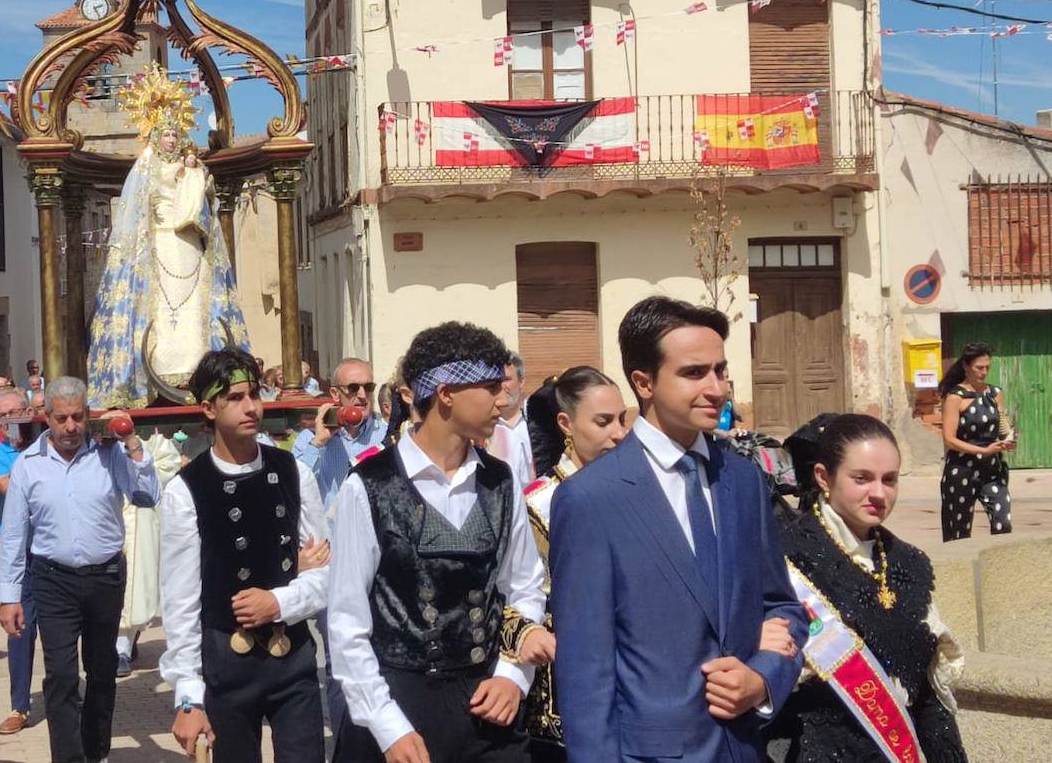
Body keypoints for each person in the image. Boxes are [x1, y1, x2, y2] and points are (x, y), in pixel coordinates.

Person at [551, 296, 808, 763]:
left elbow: (782, 606)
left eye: (721, 371)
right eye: (694, 373)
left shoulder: (743, 480)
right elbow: (585, 670)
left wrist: (762, 678)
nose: (716, 388)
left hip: (743, 748)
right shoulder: (590, 498)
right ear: (644, 382)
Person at [329, 322, 547, 763]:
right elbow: (347, 622)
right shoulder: (370, 486)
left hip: (487, 706)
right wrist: (387, 726)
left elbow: (525, 587)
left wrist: (512, 676)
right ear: (446, 393)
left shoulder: (499, 481)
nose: (503, 399)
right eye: (490, 387)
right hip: (397, 705)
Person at [159, 349, 331, 762]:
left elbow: (327, 571)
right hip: (227, 664)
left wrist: (279, 601)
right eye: (235, 398)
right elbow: (181, 601)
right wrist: (188, 697)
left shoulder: (293, 472)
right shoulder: (186, 490)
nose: (251, 407)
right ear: (209, 408)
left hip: (292, 658)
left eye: (254, 394)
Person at [772, 414, 969, 761]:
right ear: (823, 477)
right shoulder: (782, 557)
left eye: (889, 480)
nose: (879, 494)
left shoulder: (910, 562)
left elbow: (925, 694)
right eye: (861, 478)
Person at [0, 376, 160, 763]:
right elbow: (14, 534)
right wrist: (9, 597)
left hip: (105, 578)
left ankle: (95, 751)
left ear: (88, 415)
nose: (70, 427)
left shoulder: (110, 454)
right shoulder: (28, 464)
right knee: (62, 675)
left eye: (77, 417)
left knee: (102, 671)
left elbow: (148, 496)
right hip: (53, 579)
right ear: (47, 418)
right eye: (61, 418)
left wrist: (132, 442)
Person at [86, 67, 250, 406]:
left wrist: (194, 175)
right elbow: (135, 209)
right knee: (158, 305)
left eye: (176, 135)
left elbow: (206, 201)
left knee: (194, 305)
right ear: (156, 137)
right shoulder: (146, 166)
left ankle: (197, 363)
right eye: (166, 135)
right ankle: (156, 365)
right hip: (159, 242)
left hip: (188, 243)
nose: (172, 140)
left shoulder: (193, 167)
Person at [516, 368, 634, 761]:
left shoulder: (636, 491)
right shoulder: (538, 503)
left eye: (622, 420)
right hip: (564, 687)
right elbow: (515, 596)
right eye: (603, 422)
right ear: (566, 424)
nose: (618, 433)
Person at [0, 388, 44, 736]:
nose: (12, 420)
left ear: (31, 411)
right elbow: (9, 487)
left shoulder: (50, 444)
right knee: (20, 631)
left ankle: (68, 694)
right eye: (4, 416)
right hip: (20, 556)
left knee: (63, 631)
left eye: (18, 412)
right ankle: (20, 705)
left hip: (54, 551)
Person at [114, 412, 183, 677]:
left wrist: (136, 448)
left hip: (137, 519)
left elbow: (160, 477)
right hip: (107, 520)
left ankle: (122, 647)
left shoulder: (149, 444)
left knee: (135, 586)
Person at [938, 342, 1015, 542]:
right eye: (979, 367)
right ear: (966, 366)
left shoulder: (995, 393)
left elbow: (1002, 426)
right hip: (961, 470)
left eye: (987, 367)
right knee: (958, 533)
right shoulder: (955, 397)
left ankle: (1000, 560)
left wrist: (1008, 439)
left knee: (1003, 521)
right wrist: (982, 451)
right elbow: (949, 439)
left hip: (992, 470)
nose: (984, 372)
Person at [292, 357, 388, 511]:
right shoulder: (310, 437)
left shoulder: (386, 434)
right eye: (353, 388)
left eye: (368, 387)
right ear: (335, 393)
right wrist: (318, 443)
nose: (363, 395)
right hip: (330, 526)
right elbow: (293, 486)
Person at [487, 354, 533, 489]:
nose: (502, 386)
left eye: (506, 379)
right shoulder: (484, 428)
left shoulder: (537, 423)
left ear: (521, 382)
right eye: (497, 380)